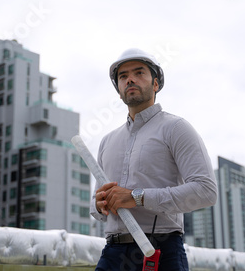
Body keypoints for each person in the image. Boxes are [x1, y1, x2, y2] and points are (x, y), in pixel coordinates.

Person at [91, 48, 217, 271]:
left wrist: (136, 197)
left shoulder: (176, 128)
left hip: (161, 250)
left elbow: (206, 192)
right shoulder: (107, 142)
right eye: (123, 76)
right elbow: (95, 210)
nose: (130, 79)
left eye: (139, 73)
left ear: (156, 84)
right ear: (119, 89)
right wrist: (100, 205)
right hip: (112, 253)